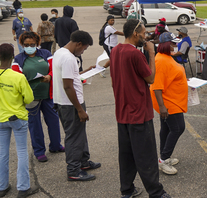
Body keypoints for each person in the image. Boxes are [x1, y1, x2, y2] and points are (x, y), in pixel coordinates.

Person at [110, 19, 170, 198]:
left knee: (127, 155)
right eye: (143, 33)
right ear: (135, 34)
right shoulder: (135, 54)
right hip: (139, 113)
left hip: (123, 112)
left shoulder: (115, 51)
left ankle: (127, 189)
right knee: (146, 155)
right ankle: (156, 192)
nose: (145, 36)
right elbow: (151, 78)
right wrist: (151, 53)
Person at [52, 30, 100, 181]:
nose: (83, 52)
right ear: (78, 44)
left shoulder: (60, 53)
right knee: (74, 137)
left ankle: (83, 162)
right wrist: (79, 109)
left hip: (64, 101)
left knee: (80, 134)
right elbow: (68, 86)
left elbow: (70, 77)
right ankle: (73, 170)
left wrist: (87, 71)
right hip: (71, 104)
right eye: (84, 48)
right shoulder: (68, 58)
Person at [12, 32, 64, 163]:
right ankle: (39, 151)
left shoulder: (46, 54)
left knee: (53, 121)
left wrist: (50, 76)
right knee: (35, 126)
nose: (29, 47)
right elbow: (15, 77)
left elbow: (54, 69)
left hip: (47, 96)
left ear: (37, 44)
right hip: (31, 99)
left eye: (32, 44)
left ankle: (56, 145)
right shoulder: (18, 59)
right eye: (26, 45)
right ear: (22, 45)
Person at [0, 43, 40, 198]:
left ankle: (2, 187)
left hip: (1, 119)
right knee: (22, 151)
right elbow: (29, 98)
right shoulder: (18, 77)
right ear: (12, 58)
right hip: (18, 118)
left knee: (2, 153)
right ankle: (23, 188)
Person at [150, 32, 187, 175]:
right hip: (169, 102)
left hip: (172, 99)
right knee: (178, 128)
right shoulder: (161, 60)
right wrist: (162, 106)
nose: (175, 44)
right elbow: (156, 86)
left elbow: (170, 76)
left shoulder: (166, 57)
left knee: (166, 128)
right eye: (173, 43)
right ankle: (164, 159)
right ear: (165, 44)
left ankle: (163, 157)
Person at [54, 5, 82, 71]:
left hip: (62, 45)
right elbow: (76, 35)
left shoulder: (57, 21)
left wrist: (58, 41)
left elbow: (55, 32)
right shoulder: (72, 22)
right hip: (72, 46)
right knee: (77, 62)